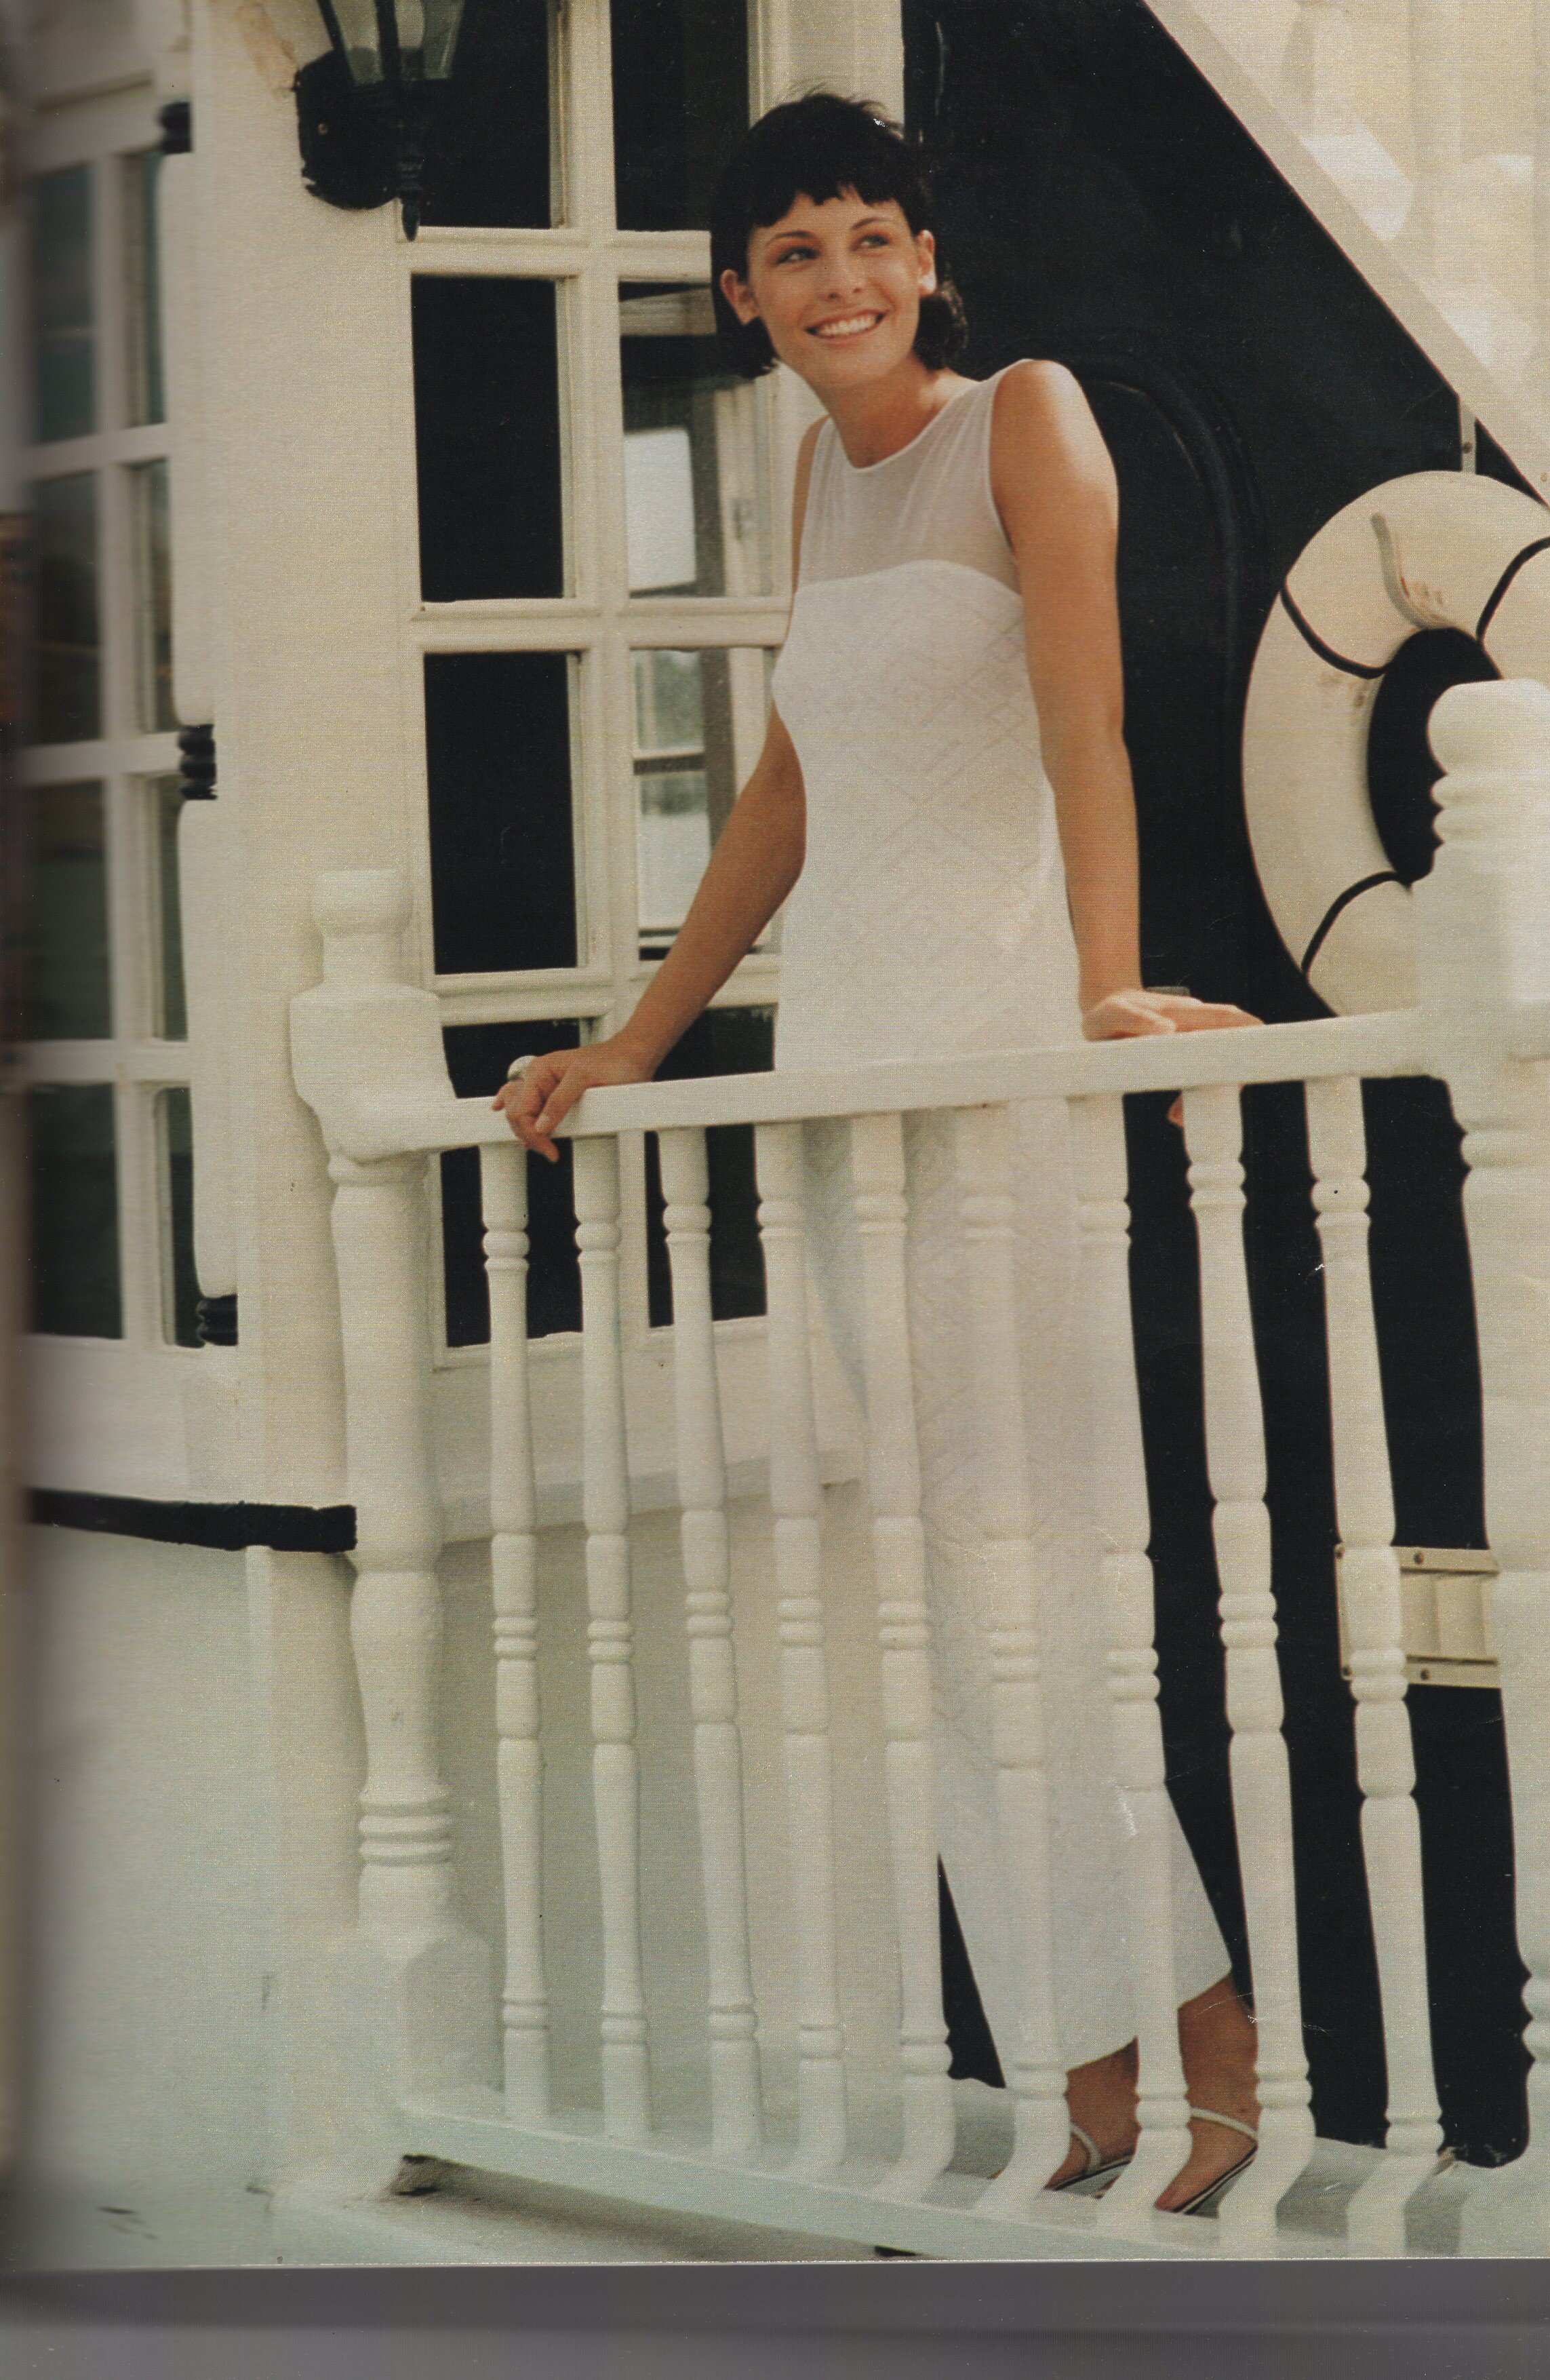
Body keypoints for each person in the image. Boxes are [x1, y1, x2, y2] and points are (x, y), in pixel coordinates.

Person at [497, 90, 1258, 2210]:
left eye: (871, 237)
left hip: (994, 1065)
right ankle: (1089, 2065)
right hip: (845, 1076)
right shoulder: (812, 478)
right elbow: (788, 791)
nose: (842, 279)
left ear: (928, 258)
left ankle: (1207, 2039)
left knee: (1033, 1568)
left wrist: (1107, 987)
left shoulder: (1027, 418)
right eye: (796, 251)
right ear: (741, 298)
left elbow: (1082, 727)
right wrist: (637, 1039)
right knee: (934, 1584)